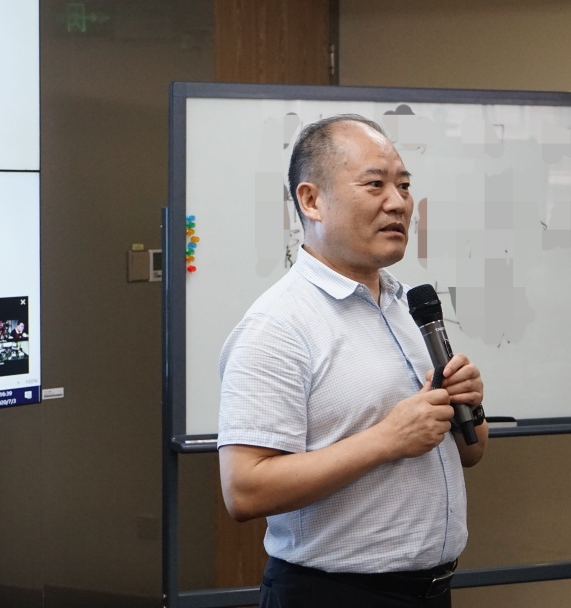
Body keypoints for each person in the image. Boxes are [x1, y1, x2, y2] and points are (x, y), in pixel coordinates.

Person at [218, 114, 489, 607]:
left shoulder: (409, 308)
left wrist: (469, 406)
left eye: (404, 185)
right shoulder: (277, 326)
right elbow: (245, 490)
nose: (398, 202)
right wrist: (386, 439)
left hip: (432, 591)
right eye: (375, 184)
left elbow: (469, 453)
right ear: (311, 200)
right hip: (332, 595)